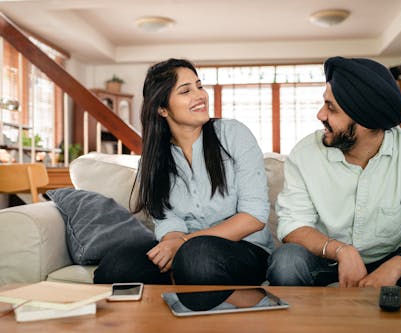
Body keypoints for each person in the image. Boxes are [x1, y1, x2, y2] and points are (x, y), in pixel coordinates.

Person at [266, 56, 401, 288]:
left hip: (395, 256)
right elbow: (293, 225)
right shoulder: (306, 153)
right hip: (326, 258)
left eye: (331, 108)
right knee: (286, 262)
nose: (320, 115)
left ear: (366, 119)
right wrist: (341, 251)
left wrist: (397, 266)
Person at [94, 59, 274, 309]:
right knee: (115, 266)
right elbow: (167, 220)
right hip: (184, 252)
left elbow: (254, 217)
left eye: (199, 86)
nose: (200, 95)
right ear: (162, 109)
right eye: (186, 90)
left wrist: (184, 243)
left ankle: (228, 296)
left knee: (197, 258)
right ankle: (190, 292)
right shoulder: (154, 159)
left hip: (243, 251)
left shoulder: (233, 134)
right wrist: (173, 241)